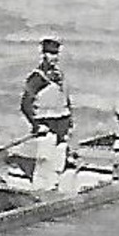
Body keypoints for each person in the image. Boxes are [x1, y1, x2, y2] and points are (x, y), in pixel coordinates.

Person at [20, 38, 71, 190]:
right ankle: (40, 191)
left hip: (61, 124)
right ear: (43, 54)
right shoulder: (37, 77)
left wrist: (70, 122)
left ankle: (54, 189)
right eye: (50, 53)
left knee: (59, 161)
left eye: (56, 53)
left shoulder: (59, 75)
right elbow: (25, 104)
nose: (54, 57)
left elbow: (65, 100)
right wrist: (36, 125)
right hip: (46, 124)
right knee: (44, 161)